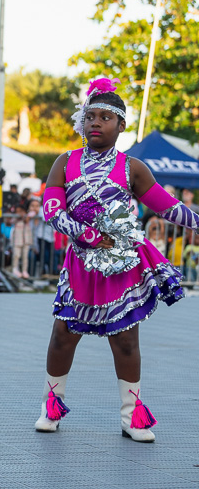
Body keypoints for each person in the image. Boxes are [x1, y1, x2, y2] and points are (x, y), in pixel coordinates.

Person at [35, 78, 199, 443]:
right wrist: (89, 235)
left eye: (105, 117)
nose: (95, 122)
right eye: (89, 116)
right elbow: (51, 209)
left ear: (121, 125)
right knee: (63, 335)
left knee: (125, 340)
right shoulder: (65, 162)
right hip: (79, 262)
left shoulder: (132, 168)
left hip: (120, 267)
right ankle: (52, 406)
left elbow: (167, 207)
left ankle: (132, 416)